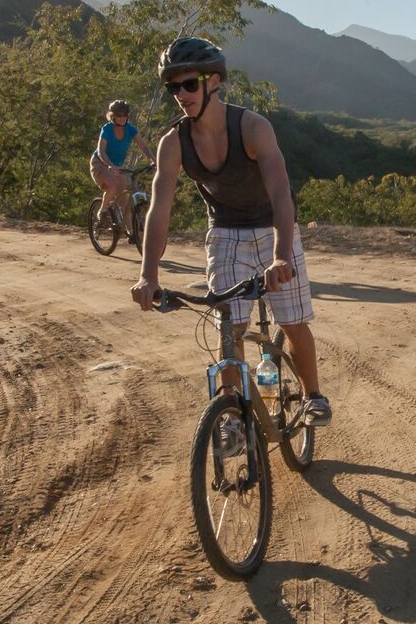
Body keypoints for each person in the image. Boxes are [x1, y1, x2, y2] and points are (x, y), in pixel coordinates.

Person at [131, 37, 330, 434]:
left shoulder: (254, 128)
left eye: (189, 84)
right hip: (225, 233)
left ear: (214, 81)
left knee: (291, 322)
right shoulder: (174, 143)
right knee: (229, 329)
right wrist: (148, 274)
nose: (180, 95)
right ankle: (234, 421)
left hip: (274, 228)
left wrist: (281, 256)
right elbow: (159, 210)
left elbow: (280, 194)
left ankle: (313, 396)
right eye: (173, 87)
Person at [89, 100, 150, 236]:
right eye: (119, 115)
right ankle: (102, 211)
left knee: (125, 200)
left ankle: (131, 232)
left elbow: (143, 147)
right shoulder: (107, 129)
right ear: (113, 116)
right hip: (100, 164)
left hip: (118, 167)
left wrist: (155, 160)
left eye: (125, 115)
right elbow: (101, 151)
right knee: (113, 185)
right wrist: (110, 165)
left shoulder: (131, 129)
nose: (122, 118)